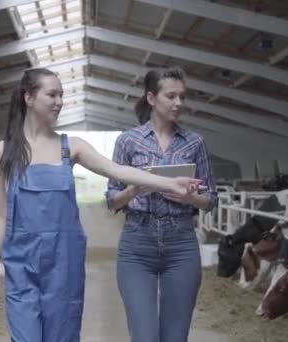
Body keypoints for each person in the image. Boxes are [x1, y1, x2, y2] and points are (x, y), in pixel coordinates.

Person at [0, 68, 205, 342]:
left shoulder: (72, 147)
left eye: (62, 95)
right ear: (28, 98)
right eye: (52, 94)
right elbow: (1, 214)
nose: (60, 101)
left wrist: (169, 184)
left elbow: (117, 171)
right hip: (21, 265)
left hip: (63, 263)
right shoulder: (2, 152)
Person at [106, 66, 217, 342]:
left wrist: (190, 198)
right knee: (144, 337)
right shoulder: (128, 141)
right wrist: (133, 190)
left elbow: (211, 199)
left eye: (182, 96)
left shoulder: (194, 142)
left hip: (181, 242)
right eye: (171, 96)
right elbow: (111, 200)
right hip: (137, 243)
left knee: (175, 337)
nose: (179, 103)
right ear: (152, 98)